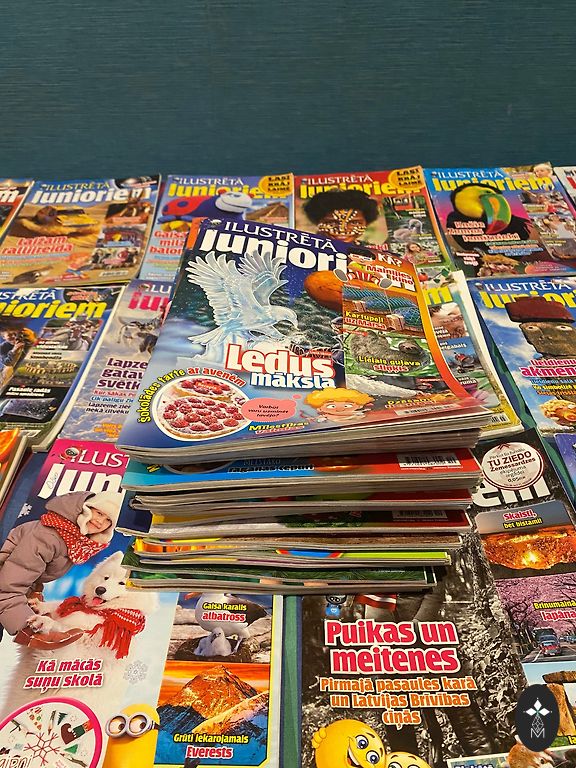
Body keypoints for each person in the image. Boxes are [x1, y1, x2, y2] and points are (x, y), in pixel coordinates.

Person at [0, 490, 123, 646]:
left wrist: (35, 592)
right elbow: (9, 585)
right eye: (99, 513)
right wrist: (30, 630)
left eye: (108, 520)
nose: (100, 521)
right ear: (86, 507)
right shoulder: (49, 537)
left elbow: (28, 571)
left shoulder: (73, 540)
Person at [303, 189, 379, 243]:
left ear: (366, 223)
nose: (342, 229)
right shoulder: (304, 249)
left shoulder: (373, 252)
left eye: (354, 223)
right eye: (332, 223)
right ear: (317, 222)